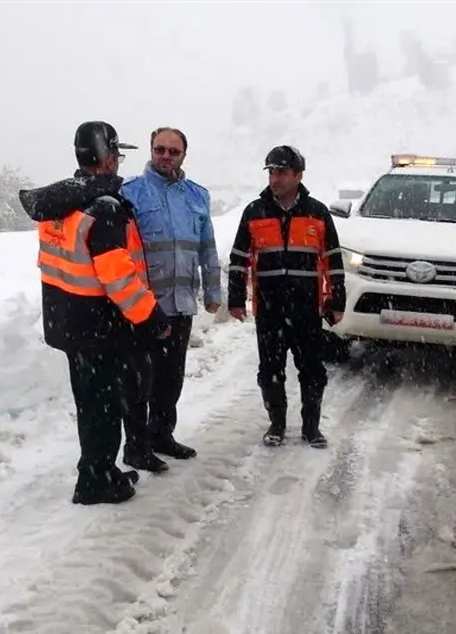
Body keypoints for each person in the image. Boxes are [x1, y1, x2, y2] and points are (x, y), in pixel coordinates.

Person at [18, 121, 171, 505]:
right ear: (104, 157)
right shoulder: (102, 208)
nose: (118, 163)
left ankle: (96, 468)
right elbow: (118, 277)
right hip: (99, 328)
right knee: (104, 409)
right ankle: (97, 481)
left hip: (69, 322)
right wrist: (152, 318)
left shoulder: (60, 204)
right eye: (116, 155)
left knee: (89, 405)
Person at [227, 145, 345, 448]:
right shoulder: (254, 211)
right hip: (269, 309)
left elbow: (333, 259)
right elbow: (239, 258)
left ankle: (311, 428)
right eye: (271, 172)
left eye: (281, 172)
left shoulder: (317, 212)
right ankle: (277, 424)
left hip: (307, 309)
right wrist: (236, 298)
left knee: (312, 371)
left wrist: (337, 300)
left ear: (298, 175)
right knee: (270, 371)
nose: (275, 179)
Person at [120, 127, 221, 470]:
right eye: (160, 149)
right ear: (150, 150)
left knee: (171, 377)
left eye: (173, 151)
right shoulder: (131, 194)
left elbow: (207, 246)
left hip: (181, 304)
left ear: (183, 155)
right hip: (144, 307)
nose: (166, 156)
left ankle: (162, 434)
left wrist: (212, 290)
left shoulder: (196, 196)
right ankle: (136, 446)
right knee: (140, 381)